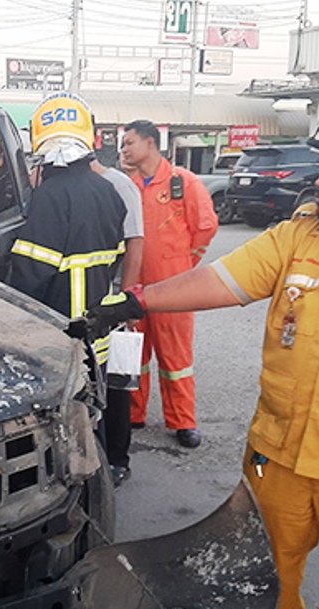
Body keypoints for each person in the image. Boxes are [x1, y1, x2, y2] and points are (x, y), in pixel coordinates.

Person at [89, 103, 319, 609]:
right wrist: (138, 301)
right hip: (280, 452)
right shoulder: (299, 237)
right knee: (264, 562)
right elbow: (223, 278)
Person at [8, 93, 128, 484]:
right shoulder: (107, 191)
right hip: (99, 331)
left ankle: (80, 490)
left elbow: (29, 273)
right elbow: (116, 255)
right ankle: (109, 473)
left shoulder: (50, 195)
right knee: (99, 410)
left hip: (62, 334)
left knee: (71, 424)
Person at [120, 119, 218, 448]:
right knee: (136, 354)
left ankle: (183, 422)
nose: (124, 149)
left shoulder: (183, 182)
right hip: (134, 285)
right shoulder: (125, 184)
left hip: (174, 289)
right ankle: (135, 414)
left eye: (129, 142)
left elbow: (205, 226)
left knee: (175, 358)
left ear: (150, 143)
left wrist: (183, 264)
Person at [91, 156, 144, 486]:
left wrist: (126, 301)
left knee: (117, 384)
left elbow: (135, 244)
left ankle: (118, 459)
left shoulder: (119, 184)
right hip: (86, 300)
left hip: (111, 298)